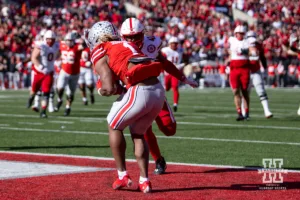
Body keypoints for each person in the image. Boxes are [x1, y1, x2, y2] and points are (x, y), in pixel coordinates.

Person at [85, 21, 165, 193]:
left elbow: (108, 87)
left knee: (113, 124)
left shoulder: (101, 49)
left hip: (139, 90)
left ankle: (122, 175)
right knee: (138, 133)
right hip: (158, 90)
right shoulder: (127, 43)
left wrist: (101, 91)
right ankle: (145, 181)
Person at [120, 17, 198, 175]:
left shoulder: (151, 44)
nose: (132, 40)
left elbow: (165, 63)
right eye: (128, 37)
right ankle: (158, 160)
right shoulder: (118, 48)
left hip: (154, 90)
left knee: (170, 129)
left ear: (142, 34)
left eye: (135, 36)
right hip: (134, 94)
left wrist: (183, 78)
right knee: (143, 131)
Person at [27, 30, 60, 118]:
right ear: (45, 38)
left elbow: (58, 54)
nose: (50, 41)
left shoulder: (56, 45)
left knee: (46, 93)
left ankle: (43, 111)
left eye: (52, 39)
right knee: (34, 90)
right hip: (39, 72)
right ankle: (31, 98)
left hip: (49, 72)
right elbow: (33, 58)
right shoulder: (41, 45)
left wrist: (58, 61)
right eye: (48, 39)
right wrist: (41, 67)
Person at [244, 31, 273, 118]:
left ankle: (266, 111)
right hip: (246, 71)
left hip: (256, 70)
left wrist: (265, 67)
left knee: (261, 90)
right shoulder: (243, 44)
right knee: (245, 92)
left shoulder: (259, 45)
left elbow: (262, 57)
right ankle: (243, 112)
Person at [55, 32, 83, 116]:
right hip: (64, 71)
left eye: (70, 40)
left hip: (75, 73)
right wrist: (56, 58)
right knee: (59, 88)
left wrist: (81, 37)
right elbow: (57, 46)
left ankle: (68, 107)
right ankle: (59, 99)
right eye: (67, 40)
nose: (68, 42)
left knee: (70, 93)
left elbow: (84, 45)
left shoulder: (77, 46)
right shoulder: (62, 45)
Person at [227, 25, 251, 121]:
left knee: (245, 91)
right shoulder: (232, 40)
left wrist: (245, 51)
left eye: (242, 33)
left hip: (244, 68)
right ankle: (239, 112)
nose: (240, 35)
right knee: (235, 91)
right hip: (234, 68)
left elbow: (250, 51)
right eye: (239, 33)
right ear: (235, 34)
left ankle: (246, 112)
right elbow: (228, 49)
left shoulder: (247, 41)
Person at [161, 36, 185, 112]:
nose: (174, 45)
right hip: (167, 72)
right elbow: (162, 61)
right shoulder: (165, 50)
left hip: (175, 72)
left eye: (176, 44)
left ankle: (175, 104)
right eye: (173, 43)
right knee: (167, 88)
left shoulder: (180, 51)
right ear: (169, 44)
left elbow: (183, 61)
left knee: (175, 87)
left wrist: (182, 65)